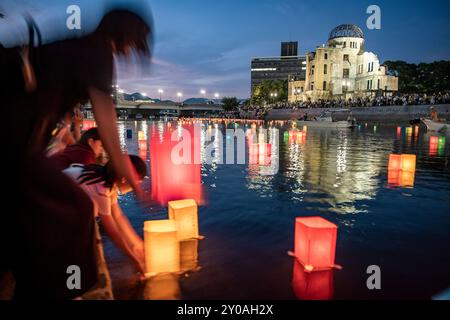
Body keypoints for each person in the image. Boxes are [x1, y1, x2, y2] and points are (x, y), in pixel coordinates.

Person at [2, 8, 153, 299]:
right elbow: (107, 124)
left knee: (24, 214)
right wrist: (136, 186)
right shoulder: (98, 52)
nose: (132, 51)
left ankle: (32, 282)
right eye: (136, 43)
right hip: (14, 143)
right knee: (78, 209)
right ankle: (62, 289)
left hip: (17, 141)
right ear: (125, 34)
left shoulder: (78, 46)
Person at [64, 155, 147, 275]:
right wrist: (134, 260)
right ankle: (73, 281)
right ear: (124, 179)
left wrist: (136, 244)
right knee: (92, 210)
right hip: (51, 201)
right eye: (135, 184)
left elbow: (118, 216)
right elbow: (112, 232)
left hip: (60, 196)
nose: (134, 189)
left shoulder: (107, 180)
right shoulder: (101, 189)